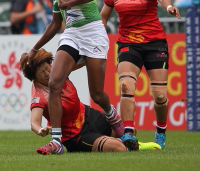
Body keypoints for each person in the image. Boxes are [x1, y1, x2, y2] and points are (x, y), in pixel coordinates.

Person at [26, 0, 125, 155]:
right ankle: (58, 141)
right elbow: (55, 24)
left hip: (93, 32)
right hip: (72, 34)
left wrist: (69, 2)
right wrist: (34, 49)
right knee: (54, 82)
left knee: (97, 94)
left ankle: (112, 115)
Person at [100, 0, 181, 149]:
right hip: (128, 43)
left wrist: (169, 7)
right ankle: (129, 133)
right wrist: (96, 36)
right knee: (126, 86)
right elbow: (103, 16)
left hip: (155, 43)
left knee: (160, 95)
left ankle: (160, 130)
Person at [20, 48, 161, 154]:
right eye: (41, 73)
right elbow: (34, 121)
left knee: (131, 132)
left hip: (88, 114)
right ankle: (131, 147)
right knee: (117, 147)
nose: (47, 73)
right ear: (35, 78)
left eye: (46, 68)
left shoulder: (57, 71)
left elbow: (84, 61)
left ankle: (131, 144)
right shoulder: (38, 94)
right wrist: (40, 129)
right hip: (76, 136)